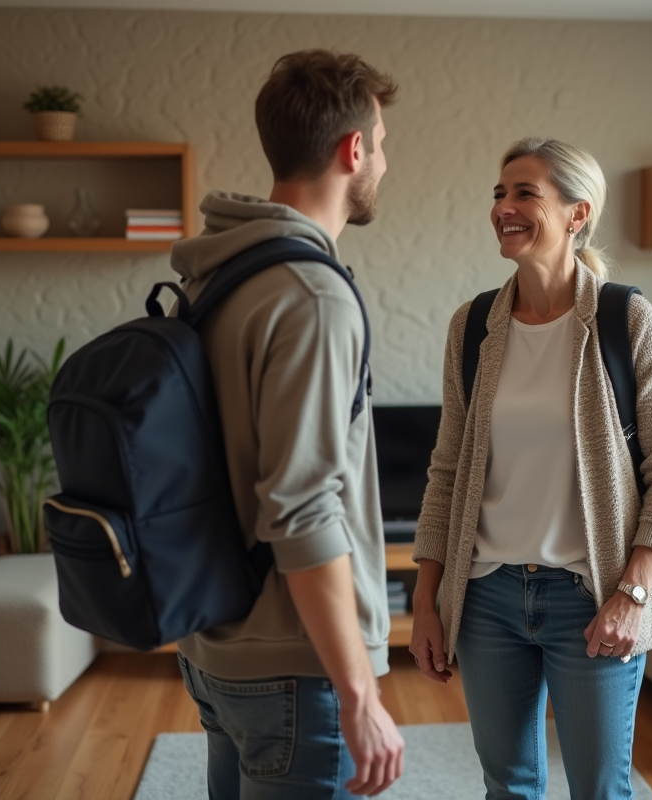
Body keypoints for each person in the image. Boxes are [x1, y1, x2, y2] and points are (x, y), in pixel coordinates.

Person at [409, 138, 652, 800]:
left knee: (599, 789)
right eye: (499, 194)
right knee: (507, 786)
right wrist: (428, 597)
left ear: (577, 212)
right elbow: (446, 470)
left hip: (591, 598)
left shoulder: (626, 320)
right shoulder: (473, 325)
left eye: (525, 193)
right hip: (487, 598)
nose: (504, 207)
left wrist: (633, 594)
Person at [169, 50, 404, 800]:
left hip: (218, 646)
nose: (384, 163)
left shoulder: (218, 270)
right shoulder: (311, 294)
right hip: (295, 669)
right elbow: (302, 508)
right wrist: (360, 692)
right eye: (383, 144)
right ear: (353, 148)